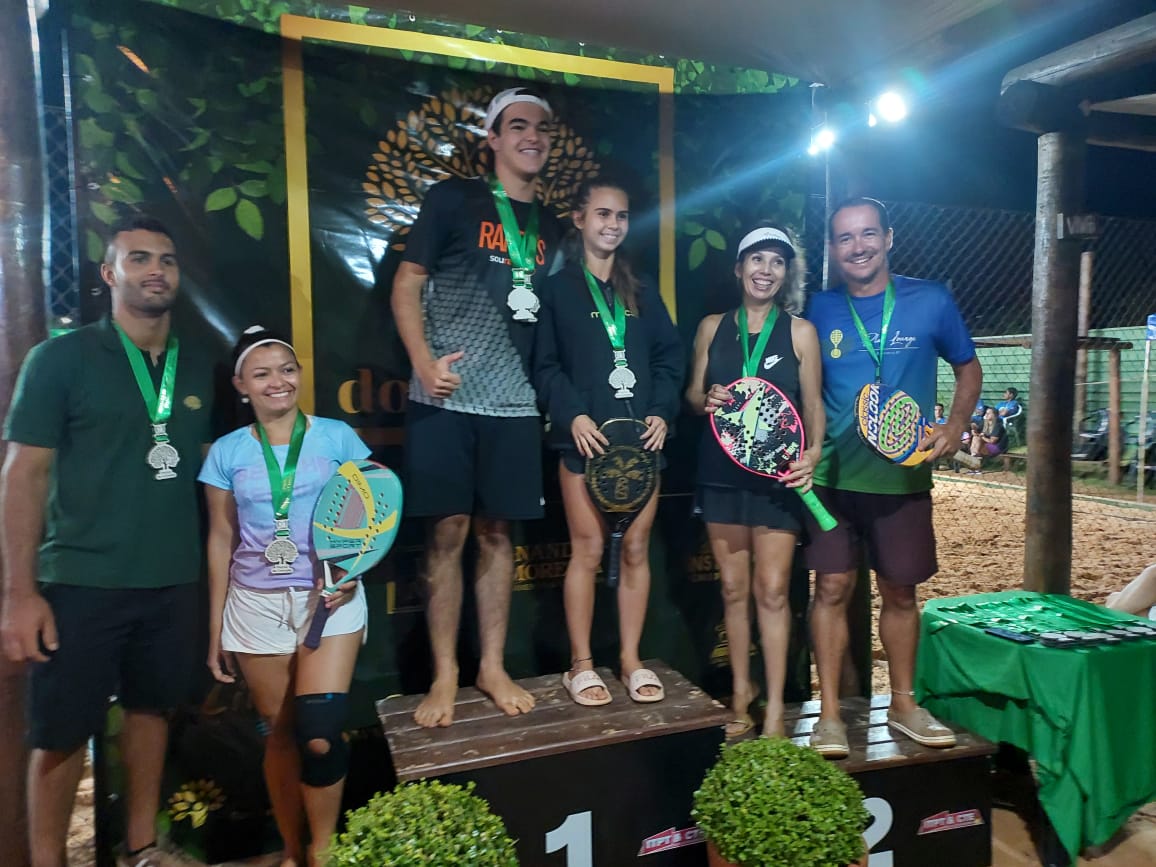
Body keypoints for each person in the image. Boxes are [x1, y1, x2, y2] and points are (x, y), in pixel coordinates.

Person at [1, 216, 213, 867]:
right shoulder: (60, 359)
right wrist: (19, 593)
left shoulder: (200, 360)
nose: (157, 271)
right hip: (79, 580)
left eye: (168, 260)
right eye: (140, 258)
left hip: (173, 578)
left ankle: (142, 846)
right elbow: (23, 473)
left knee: (151, 712)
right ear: (109, 273)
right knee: (61, 732)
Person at [391, 87, 565, 727]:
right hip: (447, 396)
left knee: (498, 535)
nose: (532, 137)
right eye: (517, 127)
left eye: (541, 128)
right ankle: (445, 673)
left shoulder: (551, 227)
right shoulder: (454, 199)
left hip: (515, 405)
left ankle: (491, 666)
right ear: (491, 139)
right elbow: (407, 284)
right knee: (447, 534)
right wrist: (422, 361)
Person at [803, 197, 982, 758]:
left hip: (902, 482)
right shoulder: (818, 309)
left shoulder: (931, 299)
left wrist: (956, 424)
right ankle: (829, 715)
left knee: (901, 592)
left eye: (868, 234)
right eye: (845, 238)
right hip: (831, 479)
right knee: (831, 588)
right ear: (833, 250)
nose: (858, 247)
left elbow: (968, 366)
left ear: (889, 237)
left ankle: (903, 704)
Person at [200, 327, 370, 867]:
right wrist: (215, 629)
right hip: (254, 607)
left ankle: (323, 852)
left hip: (330, 600)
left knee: (319, 736)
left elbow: (368, 513)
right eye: (263, 372)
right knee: (282, 735)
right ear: (241, 385)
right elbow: (220, 540)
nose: (279, 381)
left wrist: (347, 572)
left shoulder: (338, 436)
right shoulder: (226, 453)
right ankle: (293, 851)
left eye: (287, 369)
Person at [533, 178, 683, 707]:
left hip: (641, 446)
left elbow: (669, 358)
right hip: (585, 444)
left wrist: (662, 413)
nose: (612, 225)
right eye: (602, 214)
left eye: (620, 216)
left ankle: (631, 660)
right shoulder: (555, 290)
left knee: (638, 548)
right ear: (579, 219)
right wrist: (571, 414)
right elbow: (545, 365)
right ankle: (580, 664)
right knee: (589, 549)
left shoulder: (640, 291)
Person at [686, 225, 823, 739]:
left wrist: (811, 454)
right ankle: (741, 696)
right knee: (733, 588)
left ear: (786, 273)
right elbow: (693, 397)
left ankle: (774, 709)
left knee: (772, 591)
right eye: (757, 260)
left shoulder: (800, 332)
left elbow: (812, 406)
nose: (766, 270)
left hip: (776, 480)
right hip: (720, 474)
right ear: (739, 269)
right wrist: (708, 399)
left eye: (777, 262)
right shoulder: (711, 327)